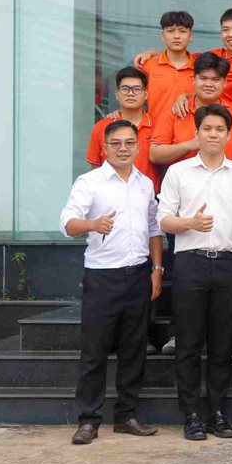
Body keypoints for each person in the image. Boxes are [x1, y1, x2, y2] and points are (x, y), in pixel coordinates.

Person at [158, 104, 232, 441]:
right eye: (207, 129)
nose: (213, 134)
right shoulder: (179, 173)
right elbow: (164, 220)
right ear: (197, 133)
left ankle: (217, 412)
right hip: (191, 262)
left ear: (229, 134)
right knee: (188, 343)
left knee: (222, 343)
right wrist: (190, 223)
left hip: (230, 264)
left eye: (219, 129)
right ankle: (191, 414)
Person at [61, 120, 163, 445]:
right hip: (102, 276)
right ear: (105, 148)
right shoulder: (89, 182)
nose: (123, 148)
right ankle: (88, 421)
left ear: (138, 146)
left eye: (129, 142)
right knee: (94, 352)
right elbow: (67, 223)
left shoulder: (145, 184)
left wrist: (157, 269)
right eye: (116, 143)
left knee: (134, 351)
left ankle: (126, 416)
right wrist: (93, 224)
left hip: (138, 275)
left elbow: (154, 229)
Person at [150, 52, 232, 168]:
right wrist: (190, 145)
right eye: (203, 78)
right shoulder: (175, 111)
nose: (209, 84)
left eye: (215, 79)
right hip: (183, 178)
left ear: (225, 82)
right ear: (194, 79)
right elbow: (154, 155)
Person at [87, 67, 159, 188]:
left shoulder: (158, 125)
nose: (130, 93)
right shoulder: (102, 127)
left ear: (146, 94)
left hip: (149, 195)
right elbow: (95, 166)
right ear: (117, 94)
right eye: (125, 89)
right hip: (110, 194)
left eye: (136, 89)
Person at [138, 11, 197, 119]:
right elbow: (134, 99)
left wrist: (188, 96)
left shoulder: (201, 68)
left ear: (190, 36)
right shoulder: (148, 66)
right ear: (162, 36)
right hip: (155, 128)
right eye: (170, 31)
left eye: (182, 31)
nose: (176, 36)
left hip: (190, 128)